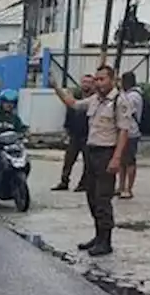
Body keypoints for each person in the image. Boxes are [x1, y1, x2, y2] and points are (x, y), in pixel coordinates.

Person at [50, 65, 135, 257]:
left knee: (103, 198)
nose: (98, 83)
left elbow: (123, 131)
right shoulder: (95, 100)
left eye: (102, 79)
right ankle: (97, 236)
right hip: (91, 152)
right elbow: (73, 104)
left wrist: (116, 158)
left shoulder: (119, 102)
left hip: (107, 152)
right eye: (97, 79)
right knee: (91, 197)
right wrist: (56, 87)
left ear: (112, 80)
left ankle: (106, 241)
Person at [52, 74, 94, 192]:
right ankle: (64, 181)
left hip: (88, 135)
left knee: (88, 162)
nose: (86, 84)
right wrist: (67, 129)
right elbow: (70, 111)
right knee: (69, 159)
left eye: (89, 82)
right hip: (75, 134)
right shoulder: (76, 96)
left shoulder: (94, 99)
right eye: (84, 82)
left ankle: (83, 184)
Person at [115, 71, 143, 199]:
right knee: (121, 161)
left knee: (130, 161)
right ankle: (120, 186)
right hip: (122, 131)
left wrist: (119, 92)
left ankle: (128, 188)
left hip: (131, 132)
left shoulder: (134, 96)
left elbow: (125, 108)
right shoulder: (127, 94)